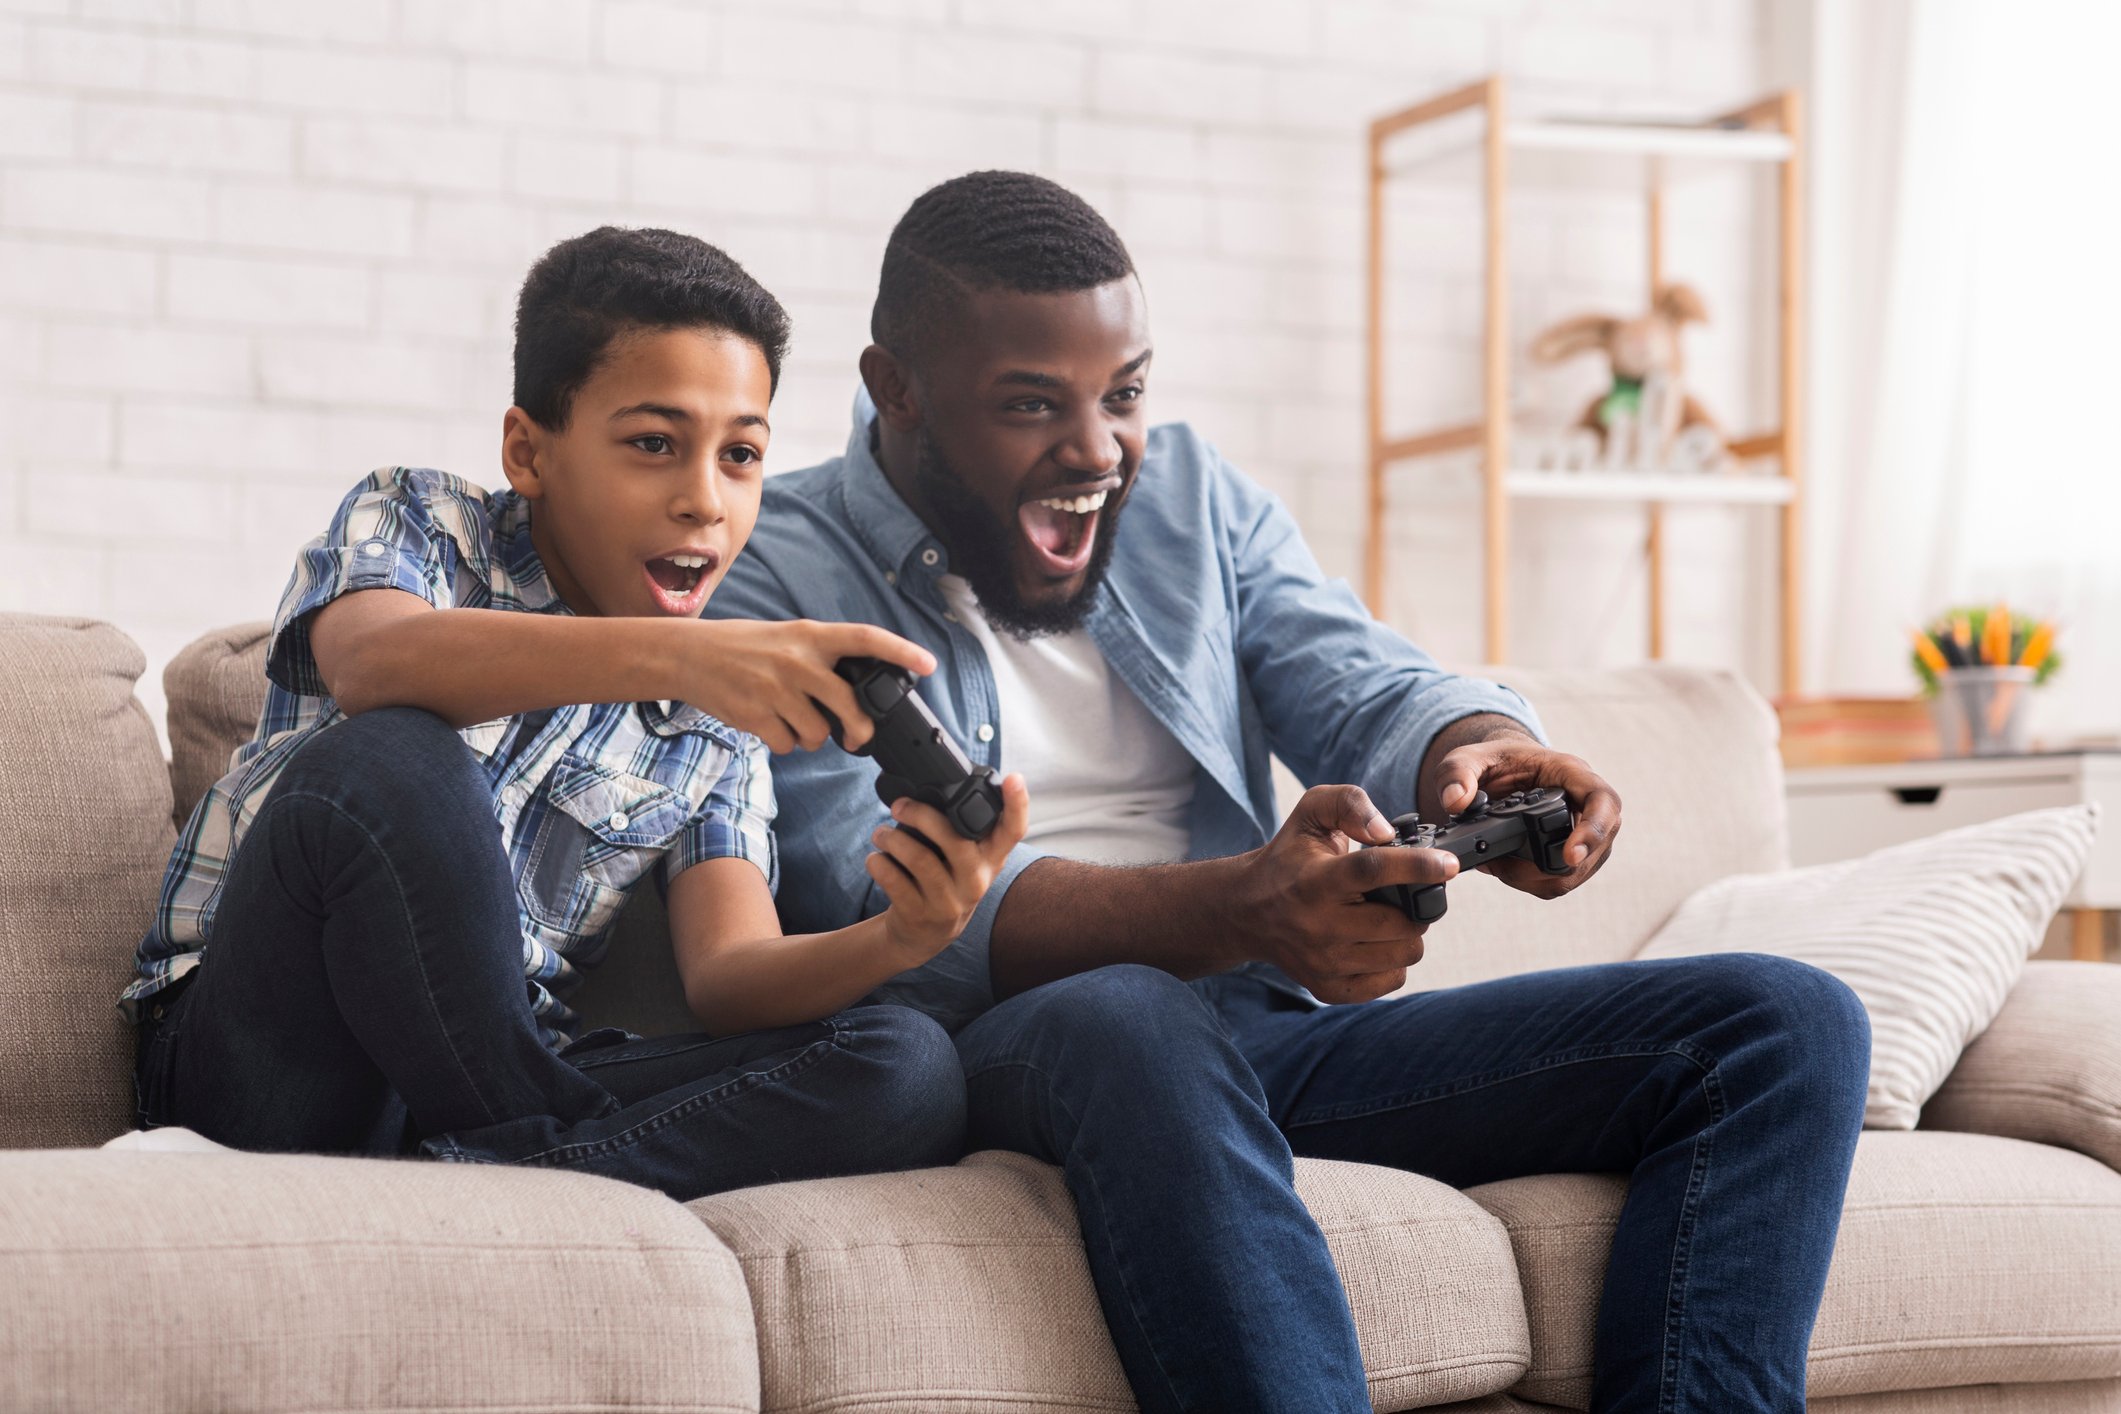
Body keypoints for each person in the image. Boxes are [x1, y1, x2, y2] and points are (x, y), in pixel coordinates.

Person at [707, 172, 1873, 1411]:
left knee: (1781, 1023)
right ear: (897, 387)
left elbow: (1354, 677)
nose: (1097, 451)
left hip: (1257, 1029)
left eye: (1125, 394)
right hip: (1010, 1045)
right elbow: (865, 901)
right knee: (1128, 1010)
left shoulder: (1191, 499)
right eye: (1032, 404)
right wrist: (1242, 908)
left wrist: (1481, 747)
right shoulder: (769, 567)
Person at [121, 225, 1028, 1202]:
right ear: (528, 451)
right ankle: (544, 1168)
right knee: (390, 756)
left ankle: (478, 1180)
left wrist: (906, 936)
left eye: (740, 455)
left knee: (905, 1067)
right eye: (654, 444)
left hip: (483, 1081)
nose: (704, 501)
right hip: (273, 1056)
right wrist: (687, 654)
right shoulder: (423, 521)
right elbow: (372, 665)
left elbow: (730, 975)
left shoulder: (714, 728)